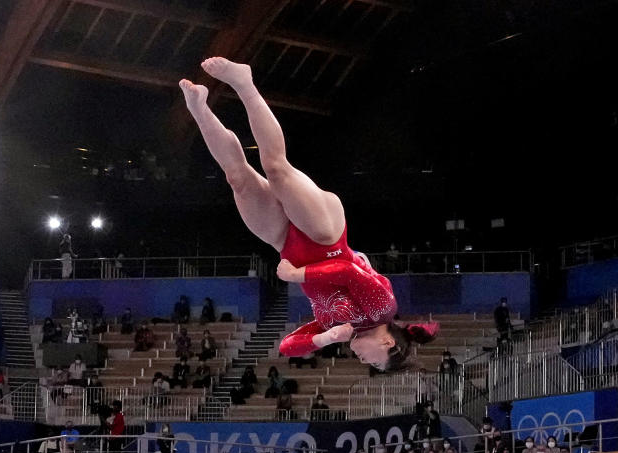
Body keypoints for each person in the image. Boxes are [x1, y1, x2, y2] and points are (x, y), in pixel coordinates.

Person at [180, 59, 438, 371]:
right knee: (276, 167)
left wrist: (326, 338)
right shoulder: (383, 310)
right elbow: (347, 271)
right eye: (374, 361)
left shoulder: (338, 329)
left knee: (238, 178)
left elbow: (288, 347)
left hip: (287, 246)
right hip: (325, 235)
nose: (364, 360)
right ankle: (244, 83)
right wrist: (296, 277)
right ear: (389, 343)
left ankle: (199, 109)